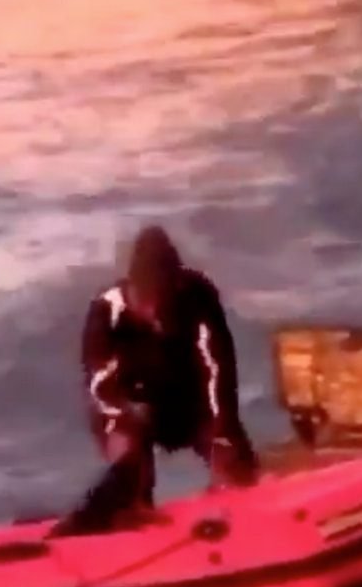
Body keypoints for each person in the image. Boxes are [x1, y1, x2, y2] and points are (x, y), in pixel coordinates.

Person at [49, 226, 259, 537]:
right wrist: (127, 415)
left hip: (191, 401)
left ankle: (247, 515)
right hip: (133, 408)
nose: (156, 315)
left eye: (163, 302)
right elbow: (100, 388)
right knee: (127, 453)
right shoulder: (107, 312)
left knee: (230, 453)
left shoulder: (197, 295)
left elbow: (218, 369)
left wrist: (223, 430)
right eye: (148, 304)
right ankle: (132, 513)